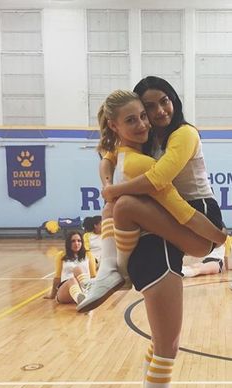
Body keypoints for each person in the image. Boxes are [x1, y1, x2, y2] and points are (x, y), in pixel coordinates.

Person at [77, 82, 226, 388]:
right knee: (167, 345)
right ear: (115, 125)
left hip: (157, 249)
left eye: (154, 110)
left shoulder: (138, 148)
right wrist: (214, 236)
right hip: (158, 252)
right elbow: (168, 195)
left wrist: (108, 185)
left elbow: (109, 158)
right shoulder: (144, 158)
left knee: (162, 343)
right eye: (138, 115)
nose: (149, 119)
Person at [77, 85, 225, 313]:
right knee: (112, 208)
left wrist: (219, 236)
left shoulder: (182, 133)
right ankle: (110, 271)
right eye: (148, 108)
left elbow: (159, 179)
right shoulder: (143, 143)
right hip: (181, 215)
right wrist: (108, 185)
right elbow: (107, 157)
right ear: (114, 126)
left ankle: (118, 273)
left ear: (174, 99)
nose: (156, 114)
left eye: (164, 101)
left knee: (122, 206)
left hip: (200, 217)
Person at [44, 230, 96, 305]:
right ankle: (82, 300)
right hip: (65, 290)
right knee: (72, 280)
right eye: (73, 241)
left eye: (79, 241)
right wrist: (52, 295)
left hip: (82, 287)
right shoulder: (61, 255)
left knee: (77, 269)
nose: (76, 243)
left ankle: (83, 296)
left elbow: (93, 276)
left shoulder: (88, 255)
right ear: (68, 243)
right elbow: (58, 277)